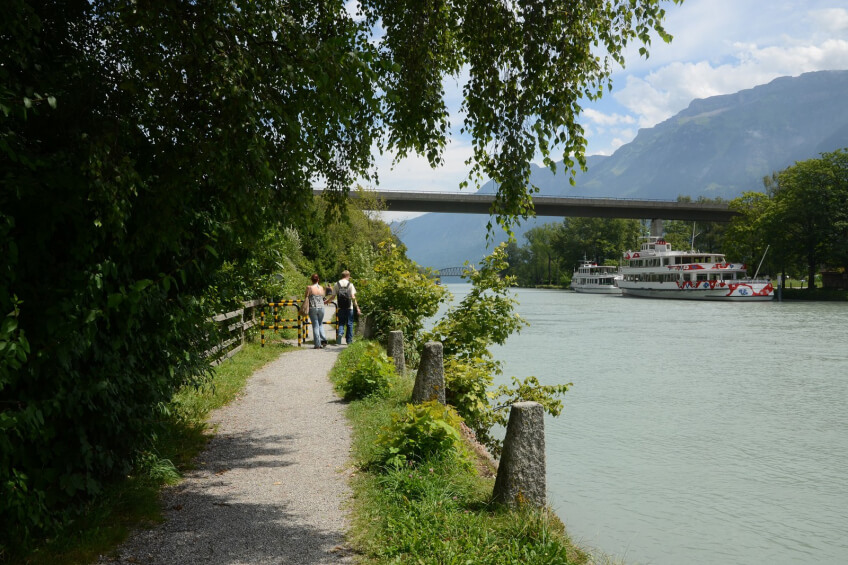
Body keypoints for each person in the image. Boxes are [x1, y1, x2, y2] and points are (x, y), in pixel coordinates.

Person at [329, 270, 361, 345]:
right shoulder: (350, 284)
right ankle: (349, 341)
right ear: (348, 276)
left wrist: (326, 302)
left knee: (341, 323)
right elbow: (353, 297)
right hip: (349, 307)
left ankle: (340, 333)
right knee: (350, 323)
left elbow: (333, 297)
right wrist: (357, 308)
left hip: (340, 307)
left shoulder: (336, 284)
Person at [305, 274, 327, 349]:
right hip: (321, 307)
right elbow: (324, 298)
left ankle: (317, 344)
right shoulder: (321, 288)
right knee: (320, 324)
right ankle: (323, 340)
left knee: (315, 326)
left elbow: (306, 296)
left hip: (313, 307)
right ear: (318, 280)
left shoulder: (309, 287)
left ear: (311, 280)